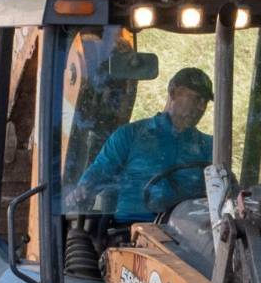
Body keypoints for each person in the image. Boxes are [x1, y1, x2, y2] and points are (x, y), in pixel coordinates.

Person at [78, 66, 214, 218]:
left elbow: (227, 194)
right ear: (173, 92)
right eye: (197, 98)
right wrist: (80, 192)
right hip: (129, 233)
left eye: (206, 102)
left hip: (187, 235)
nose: (202, 107)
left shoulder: (209, 147)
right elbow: (92, 181)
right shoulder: (129, 136)